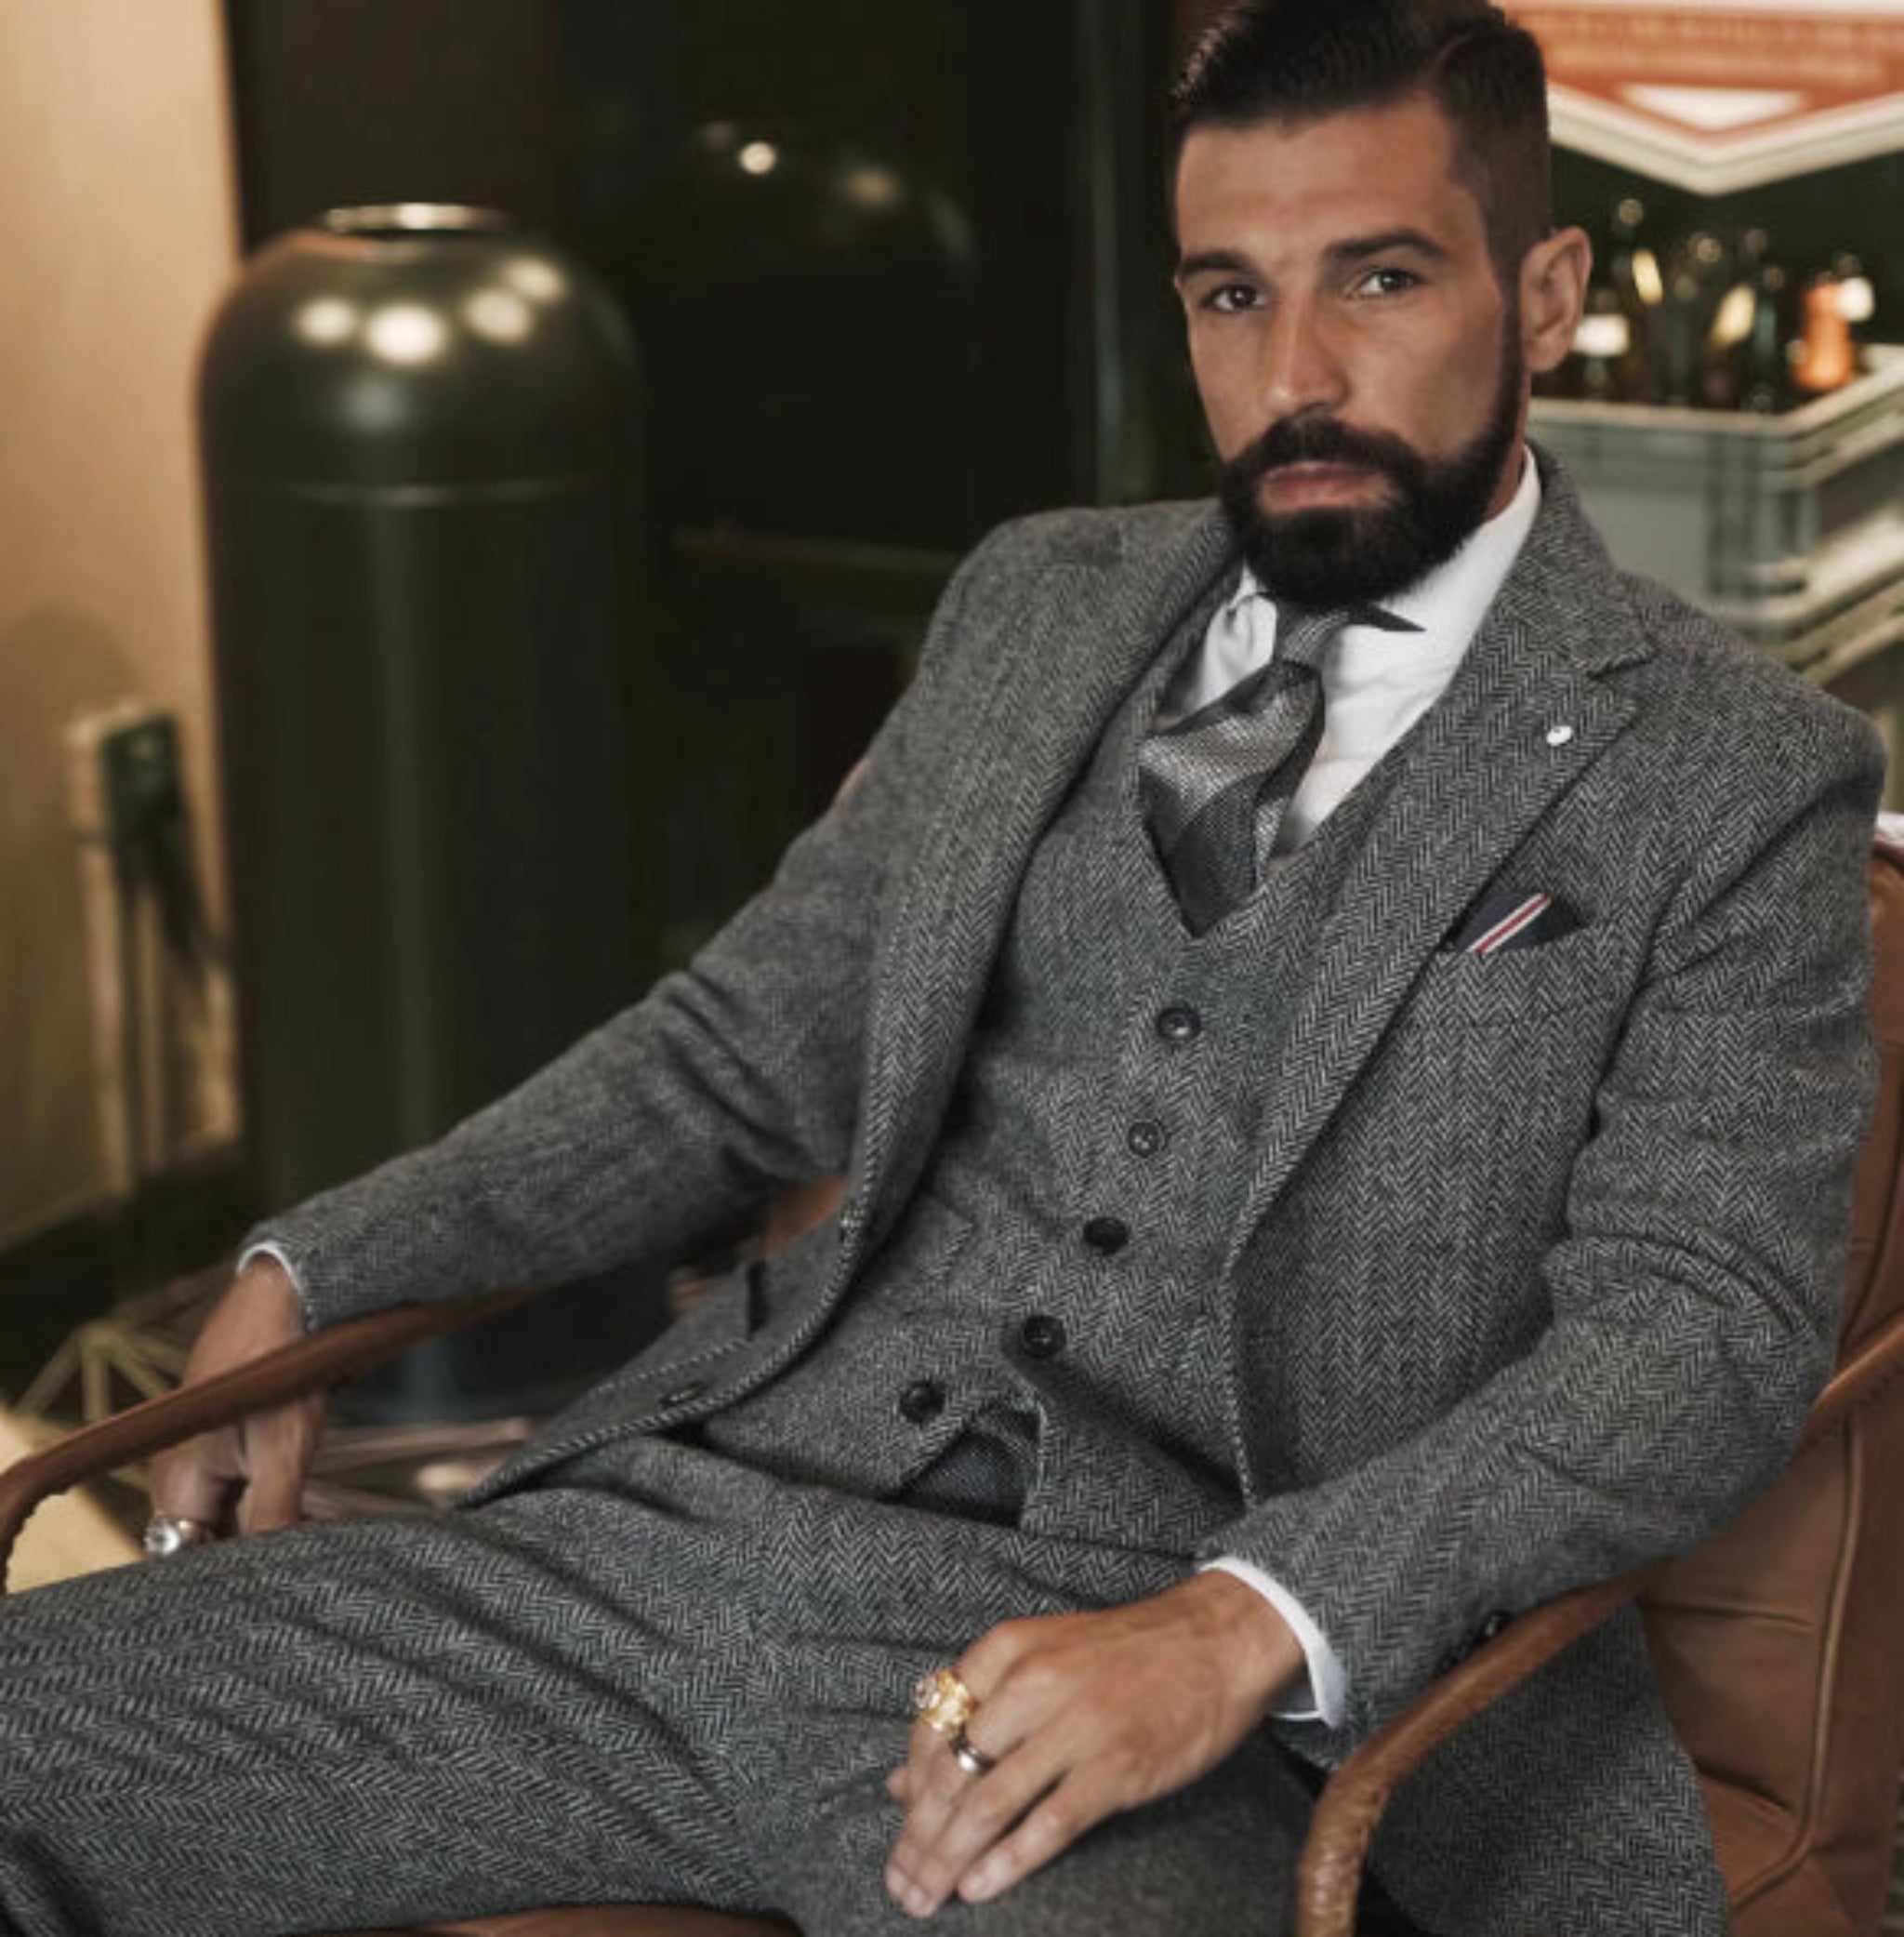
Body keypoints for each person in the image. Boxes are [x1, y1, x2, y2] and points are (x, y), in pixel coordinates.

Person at [0, 2, 1882, 1932]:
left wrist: (1239, 1625)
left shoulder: (1730, 774)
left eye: (1379, 279)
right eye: (1228, 297)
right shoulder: (1034, 603)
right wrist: (322, 1258)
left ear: (1546, 289)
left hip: (1168, 1666)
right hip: (707, 1524)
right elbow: (737, 1054)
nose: (1295, 375)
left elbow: (1695, 1335)